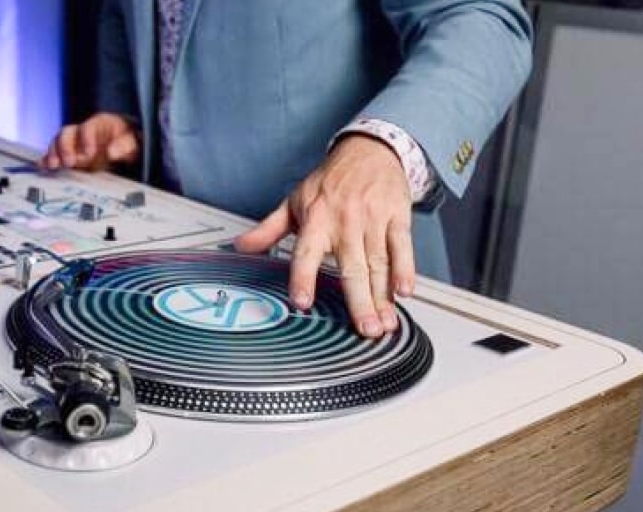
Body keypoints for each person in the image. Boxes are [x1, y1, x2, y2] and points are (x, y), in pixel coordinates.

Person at [40, 0, 533, 337]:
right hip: (166, 268)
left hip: (339, 279)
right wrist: (128, 122)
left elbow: (479, 17)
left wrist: (382, 146)